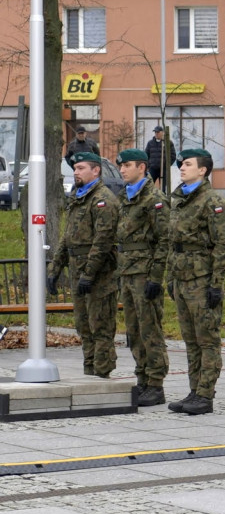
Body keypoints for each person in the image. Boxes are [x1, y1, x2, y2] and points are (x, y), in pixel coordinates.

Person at [166, 149, 225, 415]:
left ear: (203, 170)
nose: (182, 168)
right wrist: (170, 277)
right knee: (191, 340)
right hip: (182, 278)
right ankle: (194, 391)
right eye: (181, 164)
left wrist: (216, 284)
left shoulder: (213, 202)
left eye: (187, 164)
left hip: (202, 280)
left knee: (207, 339)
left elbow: (223, 246)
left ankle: (205, 394)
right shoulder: (180, 199)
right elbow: (173, 243)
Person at [47, 152, 119, 377]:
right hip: (78, 271)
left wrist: (89, 274)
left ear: (95, 170)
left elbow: (103, 241)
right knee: (84, 326)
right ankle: (90, 372)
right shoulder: (78, 197)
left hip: (99, 274)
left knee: (100, 326)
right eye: (75, 169)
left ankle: (102, 374)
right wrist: (54, 269)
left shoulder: (103, 199)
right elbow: (67, 237)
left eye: (80, 168)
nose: (76, 173)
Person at [115, 148, 170, 407]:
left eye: (127, 165)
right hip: (127, 272)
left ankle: (156, 384)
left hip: (145, 273)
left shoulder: (154, 198)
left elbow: (164, 239)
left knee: (150, 330)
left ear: (142, 168)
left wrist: (155, 277)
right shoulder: (124, 196)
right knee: (134, 331)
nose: (122, 170)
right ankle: (143, 379)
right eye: (121, 166)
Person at [146, 126, 176, 190]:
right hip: (152, 169)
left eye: (158, 132)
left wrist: (167, 165)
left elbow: (173, 156)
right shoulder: (150, 143)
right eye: (155, 132)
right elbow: (146, 155)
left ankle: (162, 196)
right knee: (149, 186)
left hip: (163, 169)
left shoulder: (168, 143)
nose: (156, 134)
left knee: (163, 188)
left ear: (162, 132)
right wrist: (148, 166)